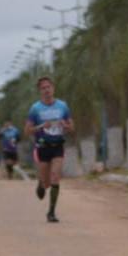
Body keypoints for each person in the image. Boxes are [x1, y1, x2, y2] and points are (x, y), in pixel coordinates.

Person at [25, 76, 73, 223]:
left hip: (57, 146)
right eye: (43, 88)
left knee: (55, 178)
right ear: (40, 91)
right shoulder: (35, 108)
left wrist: (66, 126)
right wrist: (41, 126)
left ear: (53, 88)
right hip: (42, 146)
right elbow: (27, 130)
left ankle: (51, 212)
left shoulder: (62, 106)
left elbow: (72, 127)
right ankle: (40, 182)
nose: (46, 90)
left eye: (48, 87)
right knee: (46, 184)